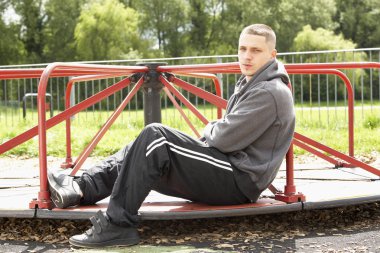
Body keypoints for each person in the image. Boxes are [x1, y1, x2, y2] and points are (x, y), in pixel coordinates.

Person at [48, 23, 295, 248]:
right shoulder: (253, 82)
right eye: (242, 48)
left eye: (256, 50)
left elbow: (222, 137)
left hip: (240, 179)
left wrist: (211, 126)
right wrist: (216, 128)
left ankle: (118, 224)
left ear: (272, 55)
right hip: (228, 167)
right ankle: (80, 188)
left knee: (156, 136)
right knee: (143, 146)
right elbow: (225, 134)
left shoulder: (270, 91)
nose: (247, 56)